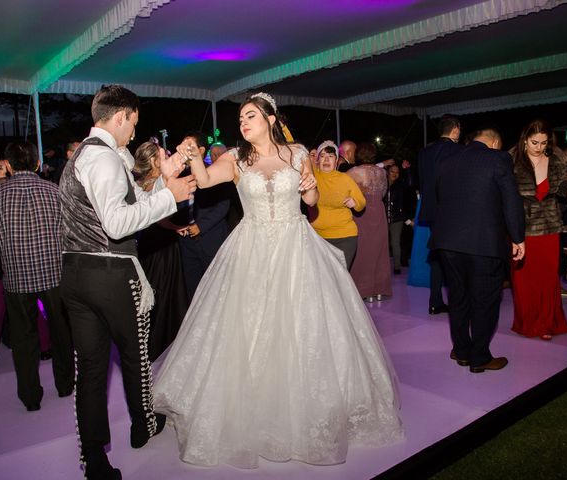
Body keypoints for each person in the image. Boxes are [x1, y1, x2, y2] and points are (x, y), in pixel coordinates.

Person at [152, 93, 402, 469]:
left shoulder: (298, 153)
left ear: (270, 118)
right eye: (240, 118)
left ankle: (303, 412)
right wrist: (190, 154)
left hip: (296, 247)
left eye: (250, 115)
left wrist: (309, 187)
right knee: (249, 328)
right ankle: (251, 411)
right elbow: (203, 182)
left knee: (302, 329)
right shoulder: (234, 158)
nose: (243, 122)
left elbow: (312, 198)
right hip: (250, 248)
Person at [58, 85, 196, 480]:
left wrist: (163, 183)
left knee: (91, 370)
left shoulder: (83, 156)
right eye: (133, 123)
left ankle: (94, 460)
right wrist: (169, 196)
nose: (134, 133)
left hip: (75, 274)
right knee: (135, 355)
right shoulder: (102, 158)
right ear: (120, 117)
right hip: (111, 273)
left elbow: (133, 202)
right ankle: (142, 425)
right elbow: (118, 223)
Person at [0, 142, 75, 408]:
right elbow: (71, 230)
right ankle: (65, 385)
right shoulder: (54, 191)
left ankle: (30, 397)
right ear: (37, 164)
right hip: (53, 275)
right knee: (61, 332)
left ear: (10, 166)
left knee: (24, 338)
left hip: (17, 278)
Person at [432, 128, 525, 373]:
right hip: (484, 243)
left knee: (458, 296)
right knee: (485, 300)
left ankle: (461, 350)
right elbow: (511, 200)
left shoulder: (446, 160)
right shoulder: (499, 158)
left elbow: (442, 199)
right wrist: (517, 237)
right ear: (495, 142)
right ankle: (479, 357)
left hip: (447, 243)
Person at [510, 120, 567, 340]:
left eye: (543, 142)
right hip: (522, 228)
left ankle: (547, 322)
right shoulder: (511, 161)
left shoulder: (556, 159)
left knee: (548, 278)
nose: (539, 147)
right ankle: (528, 322)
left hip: (550, 226)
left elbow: (562, 183)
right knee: (523, 279)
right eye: (535, 142)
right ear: (525, 140)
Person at [133, 141, 189, 360]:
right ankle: (157, 343)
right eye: (163, 155)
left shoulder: (151, 181)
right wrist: (176, 227)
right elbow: (158, 218)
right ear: (155, 161)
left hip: (159, 244)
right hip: (156, 246)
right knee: (161, 294)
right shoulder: (144, 185)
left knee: (166, 295)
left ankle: (164, 341)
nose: (167, 156)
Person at [174, 132, 230, 301]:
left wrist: (201, 226)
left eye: (189, 145)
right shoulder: (178, 175)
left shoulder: (216, 174)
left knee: (216, 289)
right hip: (186, 241)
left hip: (211, 239)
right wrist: (176, 225)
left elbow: (223, 206)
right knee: (193, 291)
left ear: (201, 150)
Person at [418, 114, 463, 315]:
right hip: (453, 210)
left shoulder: (425, 152)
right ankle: (458, 302)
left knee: (438, 255)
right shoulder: (458, 150)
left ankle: (435, 301)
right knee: (455, 256)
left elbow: (421, 181)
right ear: (455, 129)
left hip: (431, 210)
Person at [347, 142, 392, 301]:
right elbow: (384, 191)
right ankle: (379, 290)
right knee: (379, 251)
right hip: (378, 211)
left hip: (362, 213)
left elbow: (345, 191)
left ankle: (364, 291)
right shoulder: (381, 172)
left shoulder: (354, 172)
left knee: (363, 251)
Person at [312, 140, 366, 269]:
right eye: (323, 156)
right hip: (317, 237)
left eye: (330, 156)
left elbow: (362, 202)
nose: (326, 159)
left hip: (345, 237)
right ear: (318, 160)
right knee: (322, 277)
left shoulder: (345, 179)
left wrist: (355, 202)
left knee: (339, 278)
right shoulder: (312, 177)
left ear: (336, 161)